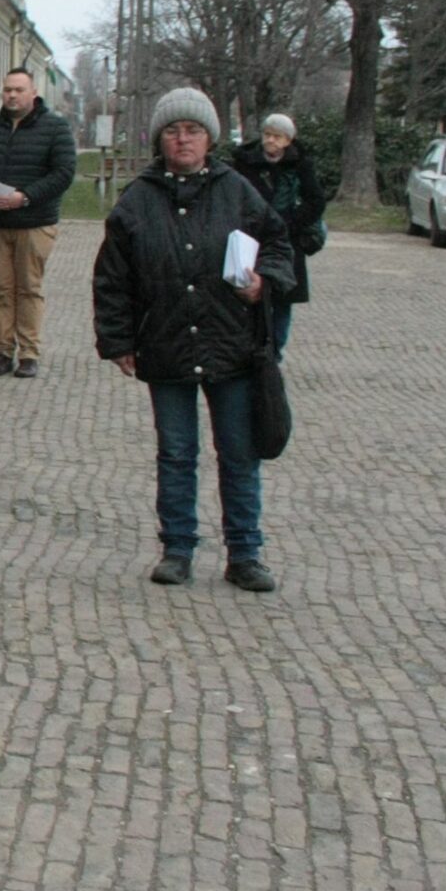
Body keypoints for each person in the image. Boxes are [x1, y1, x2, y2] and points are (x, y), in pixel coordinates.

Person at [94, 88, 294, 595]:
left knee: (238, 452)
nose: (183, 139)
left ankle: (245, 552)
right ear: (160, 139)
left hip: (231, 344)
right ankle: (177, 548)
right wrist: (118, 341)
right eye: (173, 131)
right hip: (165, 344)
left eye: (194, 130)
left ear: (210, 139)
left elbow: (277, 243)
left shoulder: (238, 190)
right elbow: (112, 278)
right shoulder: (137, 199)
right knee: (176, 453)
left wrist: (263, 281)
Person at [0, 68, 76, 378]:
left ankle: (29, 353)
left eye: (19, 90)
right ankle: (2, 350)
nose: (11, 95)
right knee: (1, 290)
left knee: (29, 289)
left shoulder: (55, 128)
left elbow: (63, 173)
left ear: (33, 93)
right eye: (8, 89)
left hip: (34, 222)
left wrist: (25, 197)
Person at [232, 112, 327, 359]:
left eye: (277, 137)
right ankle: (252, 348)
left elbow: (315, 200)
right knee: (248, 294)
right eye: (267, 135)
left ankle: (274, 353)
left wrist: (292, 223)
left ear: (288, 141)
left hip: (288, 239)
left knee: (282, 299)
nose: (271, 141)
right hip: (251, 238)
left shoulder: (301, 164)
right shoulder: (245, 162)